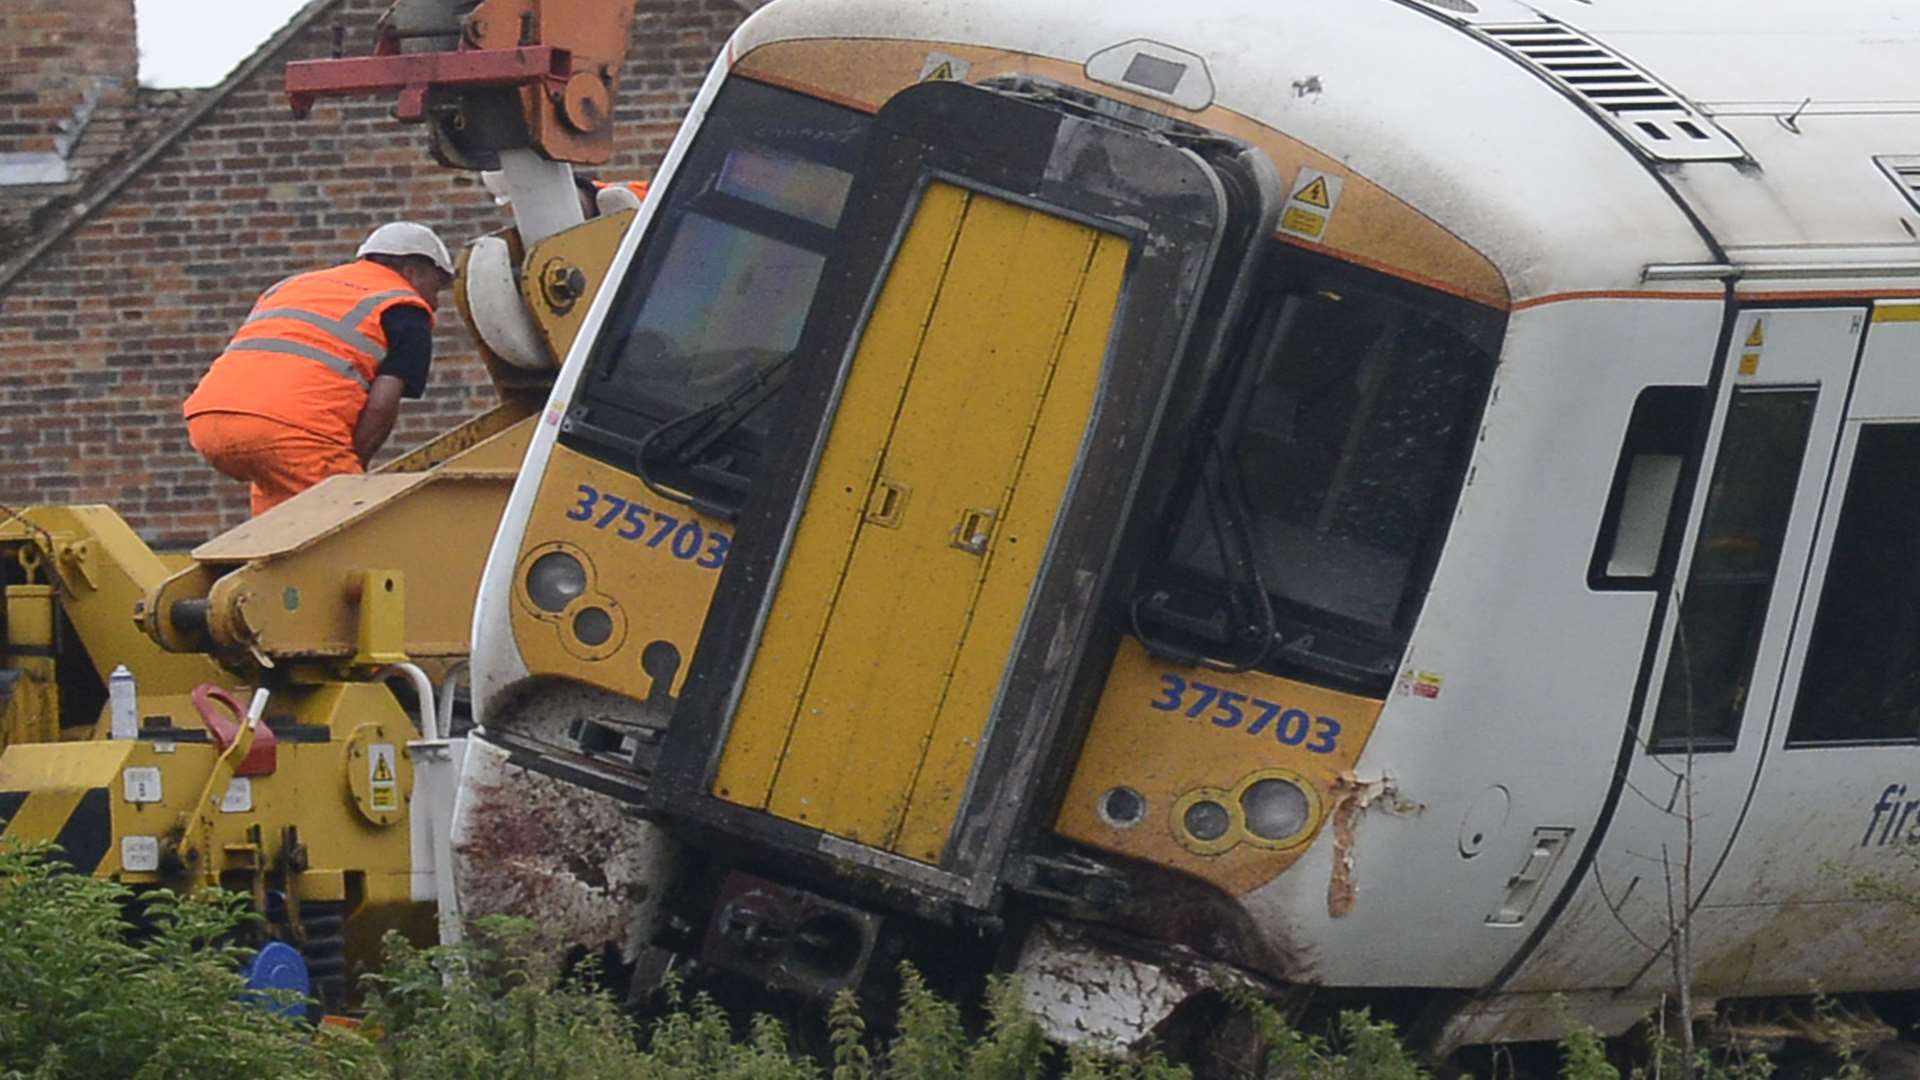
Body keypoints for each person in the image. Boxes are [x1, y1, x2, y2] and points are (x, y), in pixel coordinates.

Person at [183, 222, 456, 515]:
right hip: (293, 433)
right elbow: (381, 405)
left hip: (208, 422)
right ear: (414, 271)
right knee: (351, 528)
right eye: (437, 287)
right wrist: (349, 469)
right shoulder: (404, 307)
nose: (435, 302)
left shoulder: (295, 285)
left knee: (278, 534)